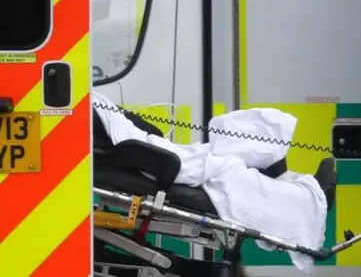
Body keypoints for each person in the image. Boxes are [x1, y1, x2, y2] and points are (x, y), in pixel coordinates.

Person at [92, 91, 336, 273]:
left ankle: (292, 187)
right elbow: (128, 139)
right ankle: (303, 201)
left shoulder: (83, 102)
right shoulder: (83, 104)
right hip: (154, 162)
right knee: (227, 173)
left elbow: (130, 131)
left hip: (147, 154)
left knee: (228, 157)